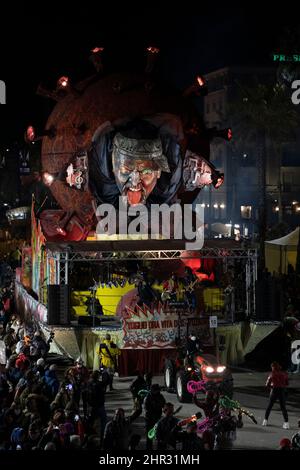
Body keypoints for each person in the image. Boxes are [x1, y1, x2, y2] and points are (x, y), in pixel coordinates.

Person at [263, 362, 289, 429]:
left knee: (269, 406)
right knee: (283, 407)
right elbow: (287, 383)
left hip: (274, 391)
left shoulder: (271, 374)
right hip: (282, 391)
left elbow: (267, 384)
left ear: (273, 367)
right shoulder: (284, 374)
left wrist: (271, 387)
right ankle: (286, 423)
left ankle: (265, 421)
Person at [143, 384, 166, 450]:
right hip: (149, 419)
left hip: (158, 418)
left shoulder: (160, 396)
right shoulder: (147, 398)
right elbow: (146, 410)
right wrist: (153, 417)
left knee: (159, 435)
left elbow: (164, 405)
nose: (158, 391)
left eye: (158, 390)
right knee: (150, 437)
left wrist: (166, 411)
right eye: (156, 390)